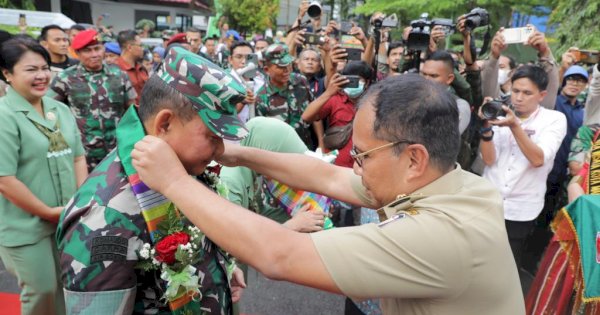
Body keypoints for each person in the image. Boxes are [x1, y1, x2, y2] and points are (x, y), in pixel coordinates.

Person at [131, 74, 525, 315]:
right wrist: (232, 152)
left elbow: (279, 255)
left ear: (414, 159)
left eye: (362, 155)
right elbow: (327, 177)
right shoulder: (454, 185)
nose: (353, 165)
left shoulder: (441, 237)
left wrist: (175, 183)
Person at [56, 47, 247, 314]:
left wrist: (219, 268)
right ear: (165, 124)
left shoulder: (180, 165)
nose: (221, 150)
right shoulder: (104, 218)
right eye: (213, 137)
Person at [0, 37, 87, 315]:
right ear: (7, 74)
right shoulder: (5, 116)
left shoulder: (58, 109)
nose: (42, 76)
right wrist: (48, 212)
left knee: (67, 287)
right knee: (42, 290)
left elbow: (77, 156)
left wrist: (80, 201)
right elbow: (4, 179)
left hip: (66, 220)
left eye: (45, 67)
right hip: (25, 225)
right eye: (30, 70)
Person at [480, 65, 567, 270]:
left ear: (542, 95)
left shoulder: (554, 119)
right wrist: (485, 128)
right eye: (515, 90)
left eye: (527, 93)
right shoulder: (500, 112)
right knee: (479, 259)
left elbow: (538, 159)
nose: (519, 97)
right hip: (488, 200)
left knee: (506, 266)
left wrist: (514, 126)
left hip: (521, 208)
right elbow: (489, 160)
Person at [48, 29, 137, 171]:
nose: (95, 54)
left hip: (117, 152)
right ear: (77, 53)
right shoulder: (65, 78)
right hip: (83, 156)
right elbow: (49, 110)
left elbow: (132, 112)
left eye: (97, 48)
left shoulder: (120, 76)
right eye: (88, 51)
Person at [255, 43, 317, 149]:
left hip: (306, 148)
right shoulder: (261, 98)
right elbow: (262, 136)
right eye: (281, 67)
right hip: (280, 153)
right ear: (266, 70)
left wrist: (321, 143)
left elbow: (314, 112)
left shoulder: (301, 81)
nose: (287, 70)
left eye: (289, 64)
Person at [420, 50, 471, 135]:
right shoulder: (414, 99)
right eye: (424, 74)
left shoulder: (459, 106)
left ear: (449, 79)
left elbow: (444, 138)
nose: (427, 80)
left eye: (434, 76)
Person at [116, 30, 149, 106]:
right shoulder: (115, 70)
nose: (142, 49)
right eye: (140, 45)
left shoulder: (142, 69)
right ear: (130, 47)